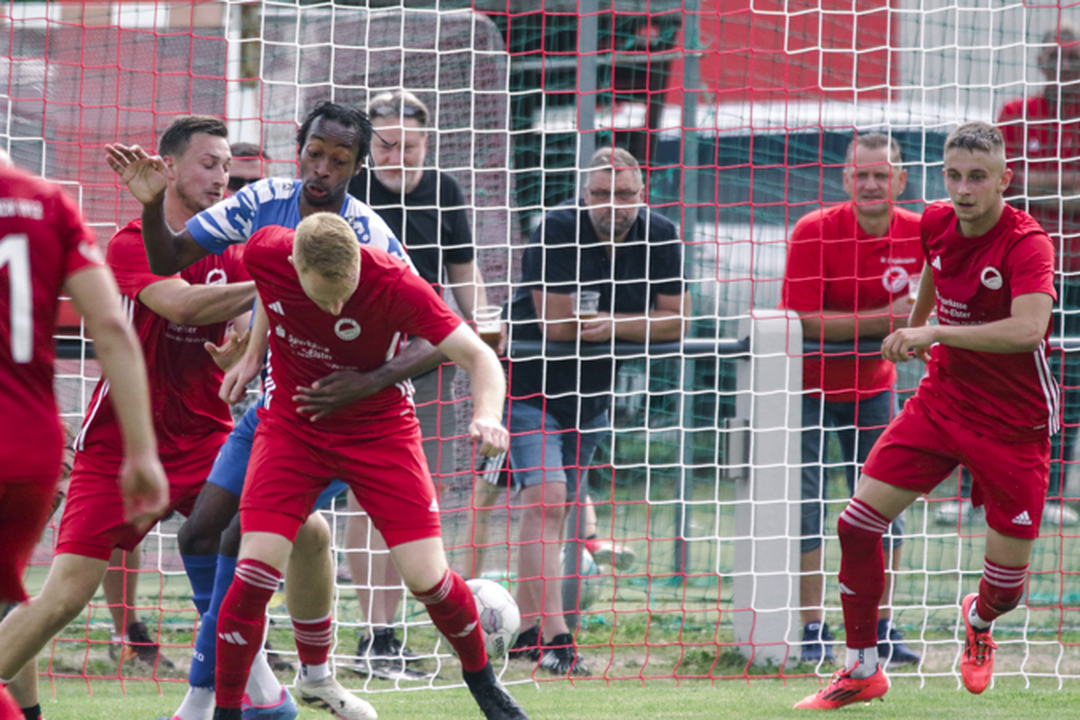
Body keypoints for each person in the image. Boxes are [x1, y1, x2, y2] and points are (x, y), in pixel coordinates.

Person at [108, 102, 443, 720]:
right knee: (204, 532)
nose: (322, 169)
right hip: (278, 410)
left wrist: (364, 381)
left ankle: (215, 701)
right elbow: (178, 263)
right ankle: (284, 685)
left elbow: (442, 331)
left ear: (358, 167)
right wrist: (153, 205)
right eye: (314, 153)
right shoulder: (265, 200)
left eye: (339, 161)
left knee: (242, 541)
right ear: (300, 147)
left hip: (352, 418)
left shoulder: (369, 235)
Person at [210, 213, 526, 720]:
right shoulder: (266, 251)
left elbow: (480, 357)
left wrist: (488, 414)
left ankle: (485, 685)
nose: (336, 307)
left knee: (429, 581)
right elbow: (270, 296)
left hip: (381, 434)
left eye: (345, 294)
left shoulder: (396, 282)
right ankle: (226, 713)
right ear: (295, 264)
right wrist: (253, 355)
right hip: (293, 430)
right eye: (323, 296)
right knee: (252, 576)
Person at [795, 122, 1059, 709]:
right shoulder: (938, 220)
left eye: (977, 177)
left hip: (1014, 427)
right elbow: (935, 268)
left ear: (1003, 180)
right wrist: (917, 326)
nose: (963, 189)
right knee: (856, 524)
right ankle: (862, 667)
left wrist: (936, 329)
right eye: (954, 175)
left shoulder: (1027, 243)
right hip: (941, 403)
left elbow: (1028, 330)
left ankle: (979, 619)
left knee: (1007, 590)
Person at [0, 131, 199, 709]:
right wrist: (141, 452)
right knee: (13, 604)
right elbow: (112, 329)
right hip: (29, 448)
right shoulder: (49, 205)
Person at [504, 147, 688, 675]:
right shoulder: (555, 228)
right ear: (584, 196)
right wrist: (636, 320)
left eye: (625, 195)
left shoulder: (661, 234)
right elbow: (559, 329)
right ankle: (553, 637)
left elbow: (677, 320)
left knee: (560, 506)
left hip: (592, 395)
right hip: (528, 384)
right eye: (601, 195)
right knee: (544, 498)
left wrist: (611, 324)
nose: (613, 206)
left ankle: (525, 632)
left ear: (642, 195)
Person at [344, 89, 492, 675]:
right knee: (361, 495)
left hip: (426, 357)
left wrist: (481, 326)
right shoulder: (350, 191)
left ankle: (391, 636)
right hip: (356, 357)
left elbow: (465, 276)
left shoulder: (446, 192)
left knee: (410, 493)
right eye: (384, 145)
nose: (396, 155)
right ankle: (370, 633)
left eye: (407, 144)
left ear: (425, 143)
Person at [780, 133, 922, 667]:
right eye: (859, 174)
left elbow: (929, 310)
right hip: (807, 390)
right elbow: (804, 320)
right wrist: (888, 319)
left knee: (887, 510)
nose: (869, 184)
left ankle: (881, 628)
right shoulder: (814, 231)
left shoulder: (921, 232)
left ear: (900, 181)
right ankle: (812, 630)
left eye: (880, 175)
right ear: (844, 179)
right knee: (806, 511)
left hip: (874, 388)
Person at [991, 23, 1080, 528]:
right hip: (1019, 272)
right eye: (1056, 59)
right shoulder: (1016, 116)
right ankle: (974, 490)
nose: (1064, 69)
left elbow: (1023, 184)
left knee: (1067, 382)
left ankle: (1047, 492)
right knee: (1000, 374)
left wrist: (1035, 184)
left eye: (1074, 60)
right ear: (1041, 63)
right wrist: (1065, 186)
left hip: (1075, 276)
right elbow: (1002, 186)